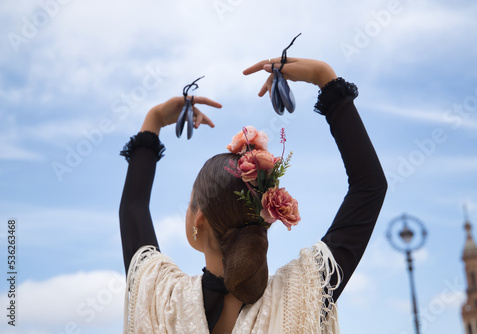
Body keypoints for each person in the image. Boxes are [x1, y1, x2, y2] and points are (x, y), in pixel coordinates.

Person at [119, 58, 387, 334]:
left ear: (199, 219)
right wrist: (324, 77)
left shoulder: (159, 299)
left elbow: (133, 208)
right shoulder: (303, 293)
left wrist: (154, 119)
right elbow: (369, 187)